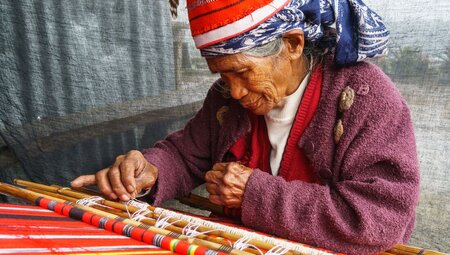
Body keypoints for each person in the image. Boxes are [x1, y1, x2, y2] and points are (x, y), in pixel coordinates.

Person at [71, 0, 420, 254]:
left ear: (293, 45)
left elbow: (381, 217)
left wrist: (255, 194)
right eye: (222, 74)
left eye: (241, 72)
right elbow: (186, 153)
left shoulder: (365, 98)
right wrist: (150, 168)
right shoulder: (225, 98)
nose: (234, 91)